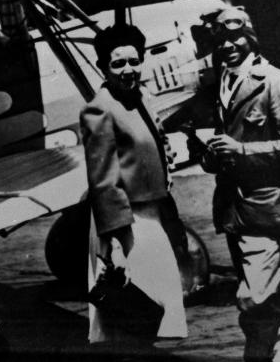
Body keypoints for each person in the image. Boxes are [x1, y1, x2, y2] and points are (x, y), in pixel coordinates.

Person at [191, 7, 280, 362]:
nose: (227, 45)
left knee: (254, 300)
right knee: (272, 303)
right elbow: (220, 151)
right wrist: (208, 153)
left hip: (267, 211)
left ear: (250, 37)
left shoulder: (276, 82)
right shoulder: (221, 87)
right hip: (235, 214)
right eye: (220, 40)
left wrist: (241, 150)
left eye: (235, 37)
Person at [81, 24, 187, 343]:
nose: (129, 70)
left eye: (134, 61)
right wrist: (114, 244)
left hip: (152, 217)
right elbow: (104, 182)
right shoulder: (99, 108)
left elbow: (154, 144)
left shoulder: (140, 98)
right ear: (103, 67)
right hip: (127, 226)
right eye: (118, 64)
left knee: (157, 310)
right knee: (139, 312)